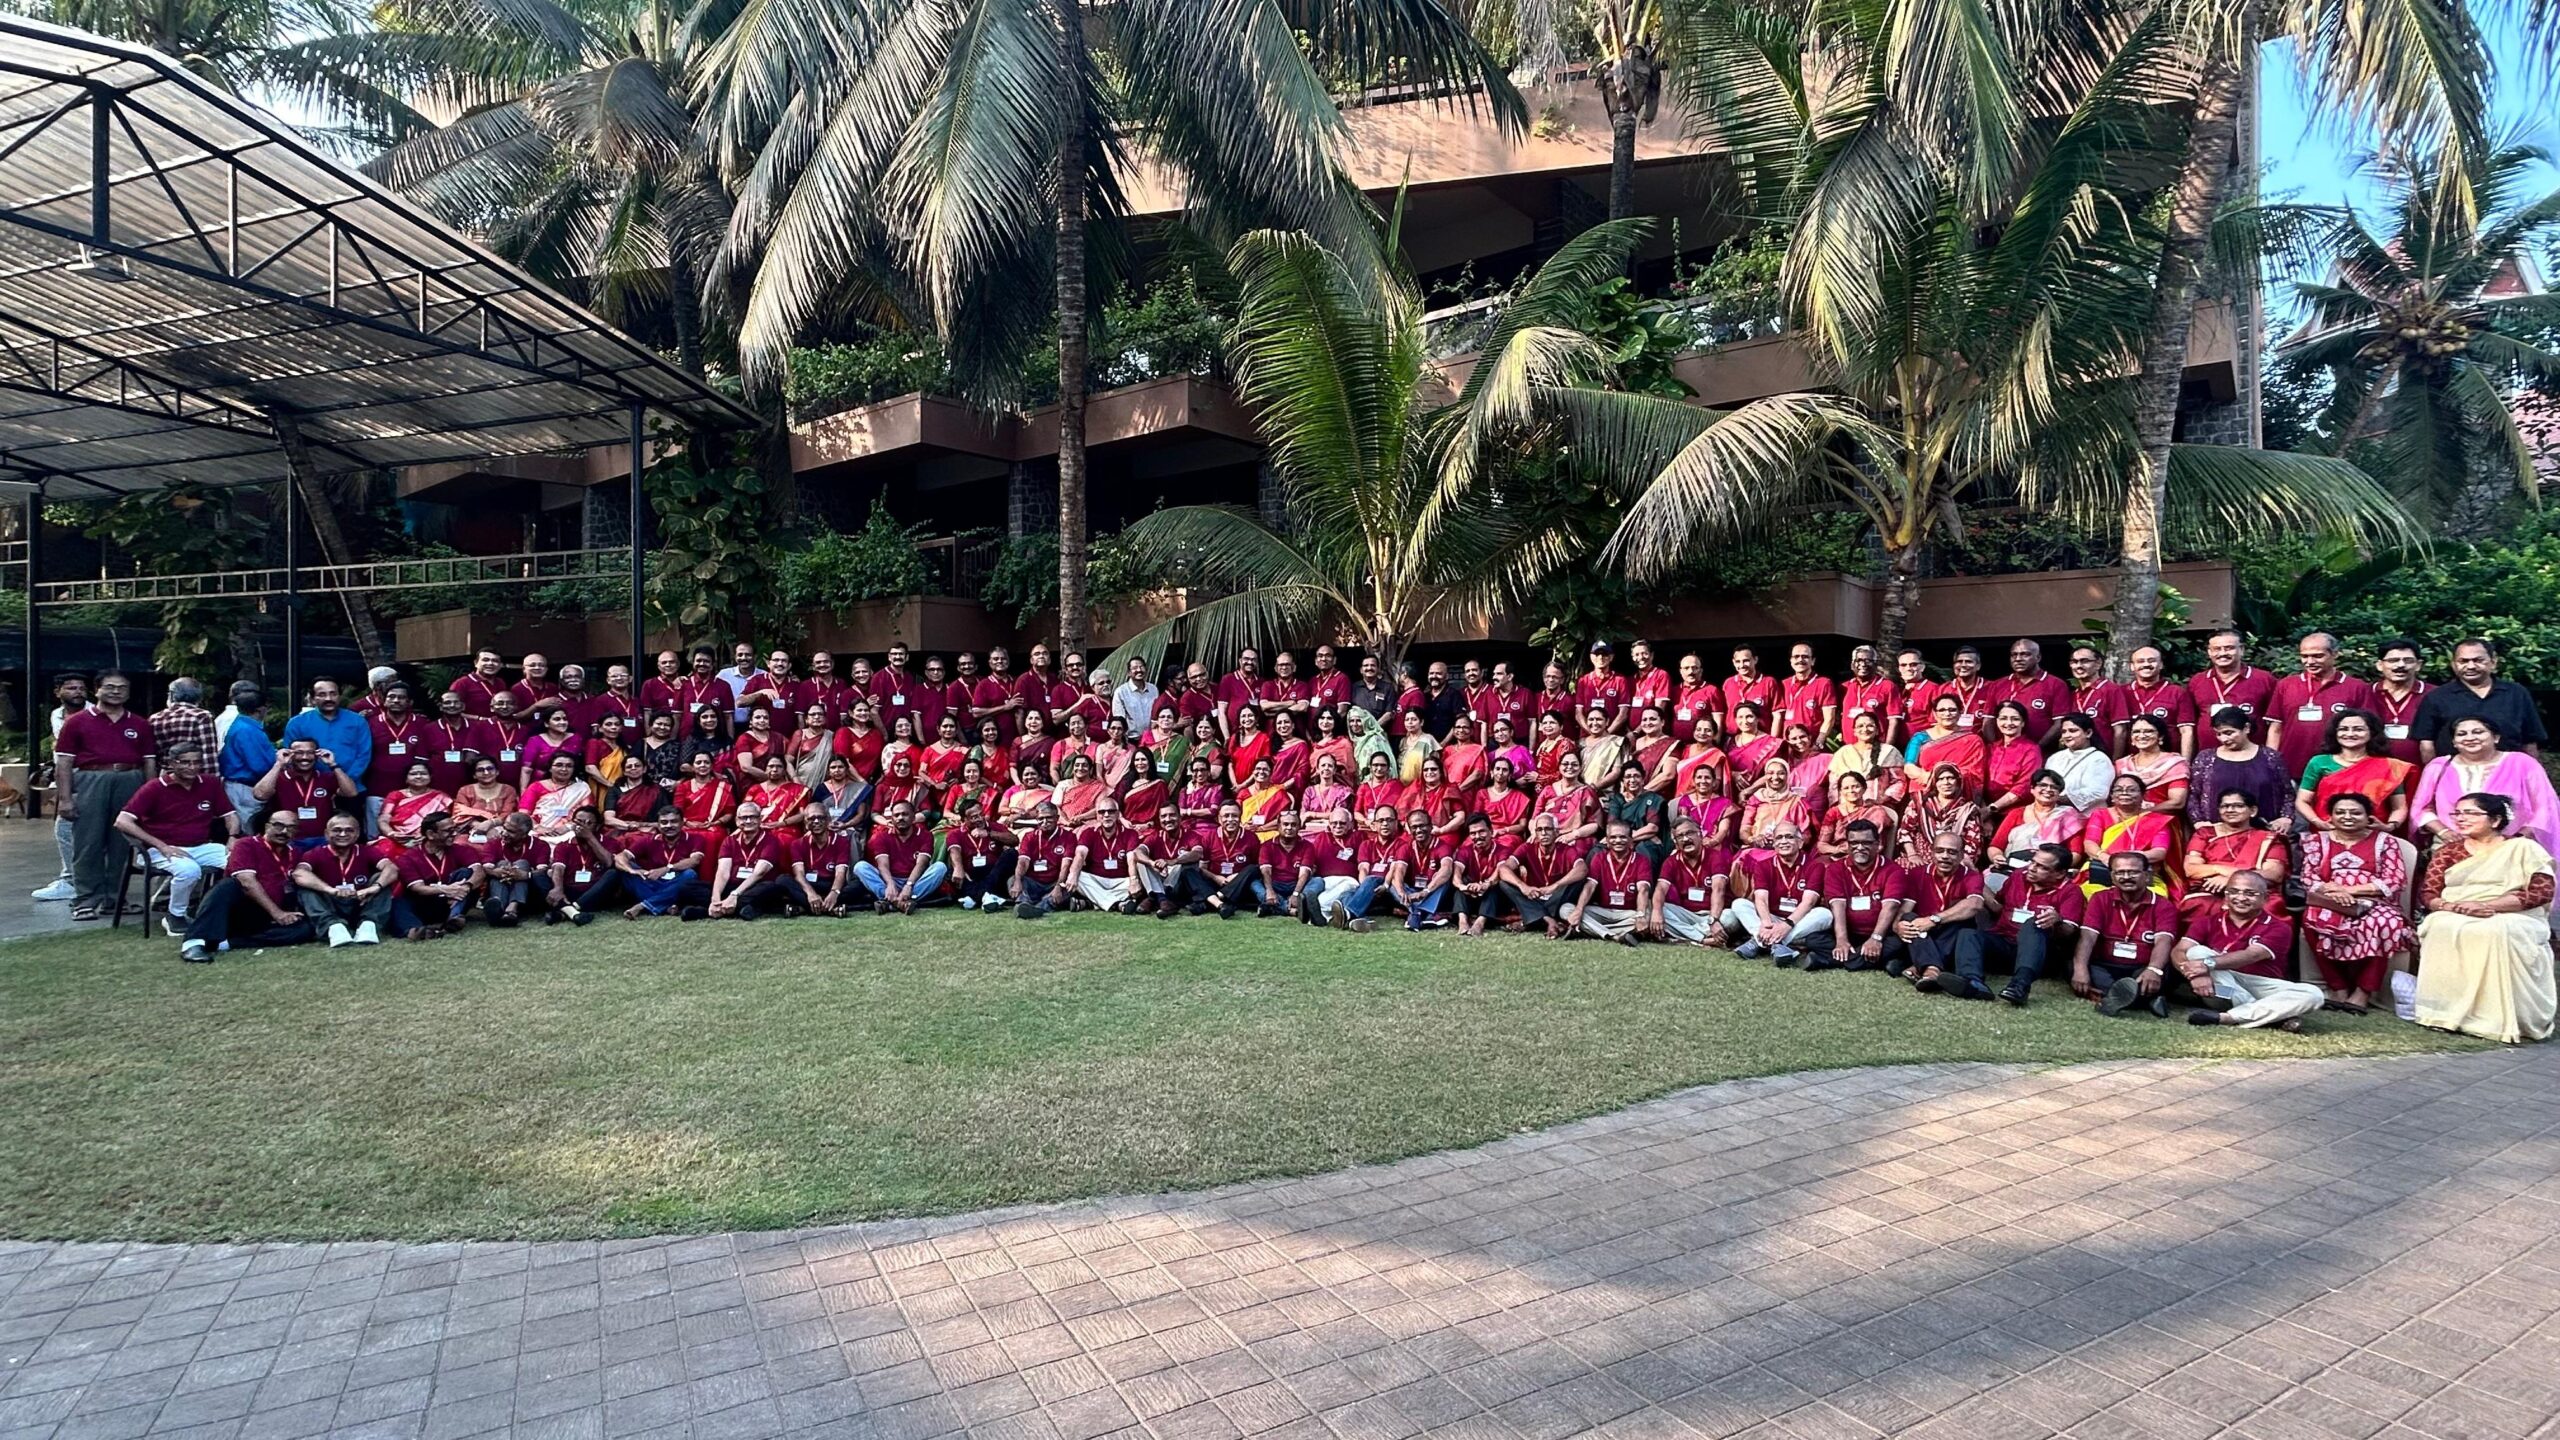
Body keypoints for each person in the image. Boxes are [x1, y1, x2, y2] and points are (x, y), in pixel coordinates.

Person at [2413, 792, 2557, 1044]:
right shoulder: (2448, 851)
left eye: (2470, 813)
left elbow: (2541, 892)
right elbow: (2429, 894)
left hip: (2515, 914)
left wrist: (2488, 906)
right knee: (2439, 924)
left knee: (2496, 930)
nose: (2461, 818)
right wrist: (2453, 907)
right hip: (2457, 911)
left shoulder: (2523, 848)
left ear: (2495, 819)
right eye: (2457, 813)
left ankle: (2494, 1019)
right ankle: (2443, 1013)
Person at [53, 671, 155, 921]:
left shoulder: (139, 724)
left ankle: (114, 898)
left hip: (130, 779)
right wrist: (65, 798)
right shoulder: (77, 722)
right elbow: (64, 763)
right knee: (88, 841)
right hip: (91, 779)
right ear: (96, 690)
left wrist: (151, 796)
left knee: (123, 841)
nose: (116, 691)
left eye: (122, 687)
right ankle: (85, 899)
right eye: (110, 686)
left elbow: (149, 762)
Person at [2298, 793, 2413, 1014]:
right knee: (2312, 919)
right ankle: (2338, 988)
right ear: (2330, 817)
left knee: (2386, 923)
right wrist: (2334, 893)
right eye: (2340, 812)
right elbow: (2308, 877)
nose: (2347, 817)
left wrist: (2349, 891)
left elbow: (2395, 880)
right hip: (2329, 900)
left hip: (2375, 901)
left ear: (2369, 816)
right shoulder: (2317, 841)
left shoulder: (2385, 841)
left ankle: (2363, 992)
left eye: (2355, 812)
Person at [113, 744, 234, 935]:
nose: (192, 767)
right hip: (159, 849)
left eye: (196, 762)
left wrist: (233, 837)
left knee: (241, 861)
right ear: (171, 763)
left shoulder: (210, 783)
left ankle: (221, 911)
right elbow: (122, 821)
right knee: (189, 870)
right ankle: (175, 915)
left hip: (201, 846)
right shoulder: (154, 788)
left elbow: (230, 815)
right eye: (185, 762)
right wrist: (162, 846)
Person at [2177, 872, 2322, 1031]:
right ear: (2226, 896)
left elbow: (2252, 955)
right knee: (2197, 951)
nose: (2241, 898)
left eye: (2250, 893)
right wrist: (2195, 975)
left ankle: (2231, 1017)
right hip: (2220, 989)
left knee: (2313, 994)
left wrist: (2207, 964)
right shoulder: (2207, 922)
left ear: (2265, 898)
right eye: (2234, 892)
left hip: (2261, 986)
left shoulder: (2279, 928)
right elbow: (2179, 950)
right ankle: (2273, 1016)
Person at [177, 810, 315, 962]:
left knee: (305, 928)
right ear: (267, 826)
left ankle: (224, 944)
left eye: (291, 827)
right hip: (242, 910)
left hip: (266, 917)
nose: (283, 831)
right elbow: (247, 882)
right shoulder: (246, 845)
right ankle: (193, 943)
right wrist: (277, 913)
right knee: (228, 886)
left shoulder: (295, 853)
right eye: (278, 825)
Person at [2412, 718, 2560, 853]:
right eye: (2462, 734)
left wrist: (2519, 838)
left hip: (2511, 845)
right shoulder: (2438, 766)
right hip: (2452, 844)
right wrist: (2443, 832)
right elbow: (2422, 808)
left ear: (2496, 737)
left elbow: (2545, 805)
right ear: (2454, 742)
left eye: (2478, 732)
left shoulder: (2522, 763)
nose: (2470, 738)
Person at [2074, 853, 2188, 1018]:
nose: (2126, 877)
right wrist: (2080, 970)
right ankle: (2147, 1001)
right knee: (2075, 967)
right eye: (2120, 872)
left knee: (2161, 974)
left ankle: (2111, 997)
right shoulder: (2100, 899)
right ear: (2112, 876)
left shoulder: (2163, 905)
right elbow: (2088, 937)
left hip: (2142, 967)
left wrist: (2153, 969)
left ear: (2147, 875)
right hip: (2105, 965)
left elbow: (2163, 941)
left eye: (2133, 872)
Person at [1976, 842, 2085, 1006]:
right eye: (2033, 862)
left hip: (2040, 955)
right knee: (1968, 935)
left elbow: (2068, 931)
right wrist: (1976, 880)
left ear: (2060, 873)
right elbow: (1998, 907)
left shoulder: (2071, 891)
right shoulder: (2018, 876)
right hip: (2005, 944)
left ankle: (2020, 986)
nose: (2032, 868)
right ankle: (1971, 981)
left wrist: (2057, 921)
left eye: (2042, 867)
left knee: (2034, 922)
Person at [2412, 638, 2545, 760]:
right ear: (2453, 664)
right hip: (2455, 774)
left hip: (2509, 772)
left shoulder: (2516, 693)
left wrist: (2531, 773)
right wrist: (2434, 773)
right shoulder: (2437, 697)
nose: (2471, 666)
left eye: (2478, 660)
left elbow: (2530, 741)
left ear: (2493, 662)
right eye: (2463, 661)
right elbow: (2426, 744)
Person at [2267, 632, 2376, 779]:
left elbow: (2367, 731)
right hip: (2291, 767)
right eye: (2304, 656)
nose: (2310, 661)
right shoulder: (2286, 685)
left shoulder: (2357, 687)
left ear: (2335, 654)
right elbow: (2276, 728)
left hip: (2339, 769)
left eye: (2317, 656)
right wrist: (2271, 762)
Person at [1891, 834, 1987, 994]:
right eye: (1940, 851)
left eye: (1952, 852)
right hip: (1922, 933)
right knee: (1908, 919)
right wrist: (1897, 926)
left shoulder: (1972, 876)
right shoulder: (1917, 873)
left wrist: (1934, 919)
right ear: (1931, 852)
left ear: (1961, 855)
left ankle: (1928, 969)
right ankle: (1929, 966)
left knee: (1963, 921)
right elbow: (1905, 908)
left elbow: (1975, 904)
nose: (1945, 856)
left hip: (1950, 932)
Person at [2295, 709, 2412, 835]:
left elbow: (2399, 807)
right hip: (2328, 831)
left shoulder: (2389, 766)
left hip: (2373, 833)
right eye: (2343, 729)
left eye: (2358, 729)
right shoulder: (2319, 762)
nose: (2350, 734)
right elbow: (2302, 800)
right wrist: (2317, 822)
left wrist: (2389, 826)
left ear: (2372, 733)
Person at [2186, 706, 2294, 837]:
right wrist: (2199, 822)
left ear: (2246, 728)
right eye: (2218, 734)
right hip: (2217, 835)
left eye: (2229, 733)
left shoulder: (2270, 757)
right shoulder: (2206, 758)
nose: (2223, 739)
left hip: (2264, 833)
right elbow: (2193, 794)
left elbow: (2287, 793)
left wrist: (2286, 818)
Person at [1728, 823, 1829, 962]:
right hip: (1772, 918)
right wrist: (1766, 924)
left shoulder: (1815, 866)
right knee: (1739, 904)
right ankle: (1775, 943)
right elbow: (1761, 898)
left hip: (1799, 921)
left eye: (1789, 837)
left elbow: (1809, 902)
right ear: (1774, 844)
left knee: (1825, 915)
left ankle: (1761, 942)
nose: (1784, 841)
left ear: (1800, 843)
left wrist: (1787, 925)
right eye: (1779, 838)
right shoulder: (1763, 865)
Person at [292, 812, 395, 947]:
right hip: (330, 904)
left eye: (349, 830)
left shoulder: (367, 851)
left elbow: (392, 868)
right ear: (326, 833)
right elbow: (299, 873)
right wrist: (330, 890)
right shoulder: (315, 853)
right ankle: (333, 927)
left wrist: (373, 888)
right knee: (305, 887)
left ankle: (368, 926)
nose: (342, 834)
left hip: (360, 902)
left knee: (381, 878)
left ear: (357, 834)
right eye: (337, 830)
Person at [2180, 791, 2287, 920]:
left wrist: (2233, 880)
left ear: (2253, 811)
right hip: (2211, 891)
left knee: (2271, 906)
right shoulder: (2205, 834)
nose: (2230, 810)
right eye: (2224, 806)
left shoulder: (2267, 838)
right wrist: (2220, 869)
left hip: (2252, 892)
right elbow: (2190, 869)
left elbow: (2274, 874)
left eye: (2238, 806)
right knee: (2198, 905)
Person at [685, 802, 795, 921]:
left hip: (755, 886)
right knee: (688, 887)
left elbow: (759, 873)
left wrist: (734, 895)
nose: (748, 821)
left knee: (772, 888)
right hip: (732, 886)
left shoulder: (770, 841)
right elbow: (722, 872)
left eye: (752, 817)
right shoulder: (729, 841)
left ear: (760, 819)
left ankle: (707, 911)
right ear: (737, 821)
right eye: (743, 818)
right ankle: (733, 908)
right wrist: (715, 898)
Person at [1820, 820, 1905, 973]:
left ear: (1878, 844)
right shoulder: (1835, 869)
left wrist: (1876, 938)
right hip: (1850, 933)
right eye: (1854, 843)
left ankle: (1828, 960)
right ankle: (1873, 960)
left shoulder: (1893, 870)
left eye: (1866, 843)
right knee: (1814, 939)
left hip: (1881, 934)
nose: (1859, 848)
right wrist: (1841, 940)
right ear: (1847, 844)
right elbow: (1837, 906)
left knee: (1899, 943)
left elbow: (1890, 906)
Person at [252, 738, 358, 849]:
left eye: (310, 753)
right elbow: (260, 795)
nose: (305, 757)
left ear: (317, 755)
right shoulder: (278, 777)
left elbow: (351, 793)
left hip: (322, 840)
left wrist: (333, 764)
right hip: (288, 840)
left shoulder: (325, 777)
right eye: (299, 753)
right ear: (290, 754)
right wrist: (279, 764)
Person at [281, 679, 371, 808]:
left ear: (339, 696)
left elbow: (364, 755)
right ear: (312, 698)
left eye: (333, 694)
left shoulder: (357, 721)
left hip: (350, 787)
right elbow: (291, 756)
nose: (328, 698)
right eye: (322, 694)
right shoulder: (297, 723)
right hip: (307, 788)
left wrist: (344, 781)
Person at [1497, 812, 1588, 939]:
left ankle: (1532, 920)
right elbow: (1503, 869)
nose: (1544, 833)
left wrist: (1555, 886)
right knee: (1504, 883)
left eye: (1548, 829)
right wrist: (1523, 886)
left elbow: (1582, 869)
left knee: (1578, 881)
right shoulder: (1527, 848)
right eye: (1539, 830)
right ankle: (1550, 921)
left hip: (1556, 897)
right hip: (1534, 895)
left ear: (1556, 832)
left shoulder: (1566, 849)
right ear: (1535, 833)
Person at [392, 812, 481, 939]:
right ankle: (415, 930)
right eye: (448, 831)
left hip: (454, 902)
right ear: (430, 834)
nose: (454, 834)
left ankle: (454, 918)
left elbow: (479, 871)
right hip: (426, 904)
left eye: (455, 829)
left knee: (466, 873)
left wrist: (466, 886)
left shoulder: (462, 850)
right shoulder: (408, 857)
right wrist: (445, 890)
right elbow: (418, 888)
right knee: (398, 902)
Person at [1647, 818, 1729, 946]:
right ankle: (1703, 939)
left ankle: (1687, 936)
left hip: (1714, 914)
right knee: (1654, 908)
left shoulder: (1715, 857)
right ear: (1675, 842)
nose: (1685, 839)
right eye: (1680, 836)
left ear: (1700, 834)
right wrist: (1657, 913)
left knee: (1731, 917)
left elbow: (1719, 889)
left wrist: (1713, 920)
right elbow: (1661, 889)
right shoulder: (1671, 861)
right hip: (1686, 915)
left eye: (1690, 833)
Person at [2187, 630, 2278, 741]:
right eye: (2217, 649)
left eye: (2229, 648)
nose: (2222, 653)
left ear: (2242, 650)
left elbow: (2276, 723)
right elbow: (2190, 723)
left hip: (2252, 750)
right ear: (2209, 652)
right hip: (2207, 750)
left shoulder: (2264, 679)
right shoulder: (2197, 681)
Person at [859, 800, 946, 914]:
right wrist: (890, 884)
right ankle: (901, 902)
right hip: (890, 879)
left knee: (940, 867)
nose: (900, 818)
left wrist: (909, 885)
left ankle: (890, 902)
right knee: (860, 867)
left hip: (915, 881)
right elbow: (883, 865)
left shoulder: (925, 835)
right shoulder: (881, 836)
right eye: (896, 815)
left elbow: (922, 864)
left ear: (913, 817)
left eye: (905, 814)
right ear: (892, 819)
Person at [1567, 821, 1649, 944]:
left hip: (1628, 913)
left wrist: (1640, 915)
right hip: (1602, 911)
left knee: (1649, 917)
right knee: (1566, 909)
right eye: (1613, 837)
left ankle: (1590, 929)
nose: (1618, 841)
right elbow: (1590, 886)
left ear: (1631, 840)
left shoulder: (1641, 860)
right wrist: (1578, 910)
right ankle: (1614, 936)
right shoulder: (1599, 858)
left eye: (1623, 837)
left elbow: (1643, 890)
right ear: (1607, 840)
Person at [1069, 797, 1145, 913]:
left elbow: (1131, 859)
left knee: (1140, 882)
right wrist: (1073, 875)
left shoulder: (1130, 833)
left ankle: (1092, 902)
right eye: (1102, 812)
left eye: (1111, 811)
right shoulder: (1088, 832)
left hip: (1121, 881)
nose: (1106, 815)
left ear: (1118, 814)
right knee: (1077, 876)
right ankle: (1117, 904)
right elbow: (1080, 855)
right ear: (1097, 816)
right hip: (1096, 880)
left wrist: (1134, 880)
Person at [215, 682, 274, 830]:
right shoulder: (247, 730)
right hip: (245, 787)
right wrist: (278, 766)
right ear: (260, 709)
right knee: (248, 828)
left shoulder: (241, 725)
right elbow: (259, 765)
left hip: (241, 785)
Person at [2123, 645, 2199, 758]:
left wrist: (2185, 762)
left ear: (2161, 664)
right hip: (2131, 759)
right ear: (2132, 666)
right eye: (2140, 661)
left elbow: (2186, 731)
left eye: (2151, 661)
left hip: (2168, 758)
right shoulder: (2122, 692)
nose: (2146, 664)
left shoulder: (2177, 692)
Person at [2043, 713, 2114, 813]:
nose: (2067, 735)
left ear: (2088, 733)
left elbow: (2098, 792)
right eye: (2064, 732)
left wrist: (2058, 799)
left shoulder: (2100, 759)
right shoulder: (2054, 758)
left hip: (2087, 816)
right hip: (2052, 813)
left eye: (2073, 731)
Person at [1256, 809, 1317, 919]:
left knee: (1318, 882)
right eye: (1285, 824)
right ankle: (1293, 910)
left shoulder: (1307, 846)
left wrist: (1296, 894)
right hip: (1275, 884)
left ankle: (1273, 907)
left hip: (1296, 884)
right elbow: (1266, 872)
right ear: (1278, 826)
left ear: (1299, 827)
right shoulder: (1267, 846)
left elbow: (1304, 873)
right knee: (1254, 883)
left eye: (1293, 825)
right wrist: (1270, 891)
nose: (1289, 828)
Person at [378, 761, 453, 848]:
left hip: (431, 839)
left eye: (423, 773)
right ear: (406, 778)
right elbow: (384, 818)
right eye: (413, 774)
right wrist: (391, 833)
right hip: (397, 838)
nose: (418, 776)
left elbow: (445, 823)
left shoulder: (441, 797)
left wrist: (427, 836)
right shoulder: (395, 795)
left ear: (430, 777)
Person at [1777, 643, 1839, 746]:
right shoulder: (1784, 684)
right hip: (1788, 744)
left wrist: (1819, 742)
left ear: (1813, 661)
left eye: (1805, 656)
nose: (1800, 660)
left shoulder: (1824, 683)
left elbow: (1829, 718)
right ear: (1791, 661)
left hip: (1811, 744)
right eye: (1796, 656)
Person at [149, 678, 217, 766]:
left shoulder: (155, 719)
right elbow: (209, 755)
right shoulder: (201, 717)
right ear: (199, 698)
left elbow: (151, 755)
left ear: (171, 695)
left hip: (165, 772)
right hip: (193, 772)